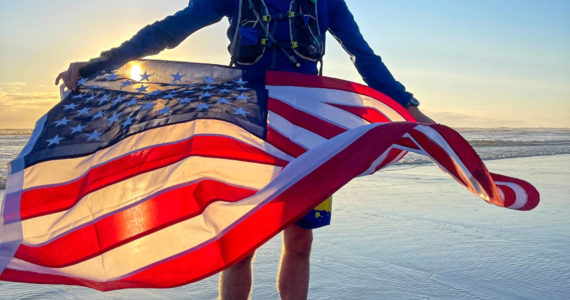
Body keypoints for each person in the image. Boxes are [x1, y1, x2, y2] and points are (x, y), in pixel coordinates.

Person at [56, 0, 434, 299]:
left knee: (301, 239)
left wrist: (410, 107)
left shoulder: (326, 1)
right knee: (239, 243)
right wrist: (105, 62)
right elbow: (170, 30)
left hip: (309, 130)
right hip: (247, 126)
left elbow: (363, 56)